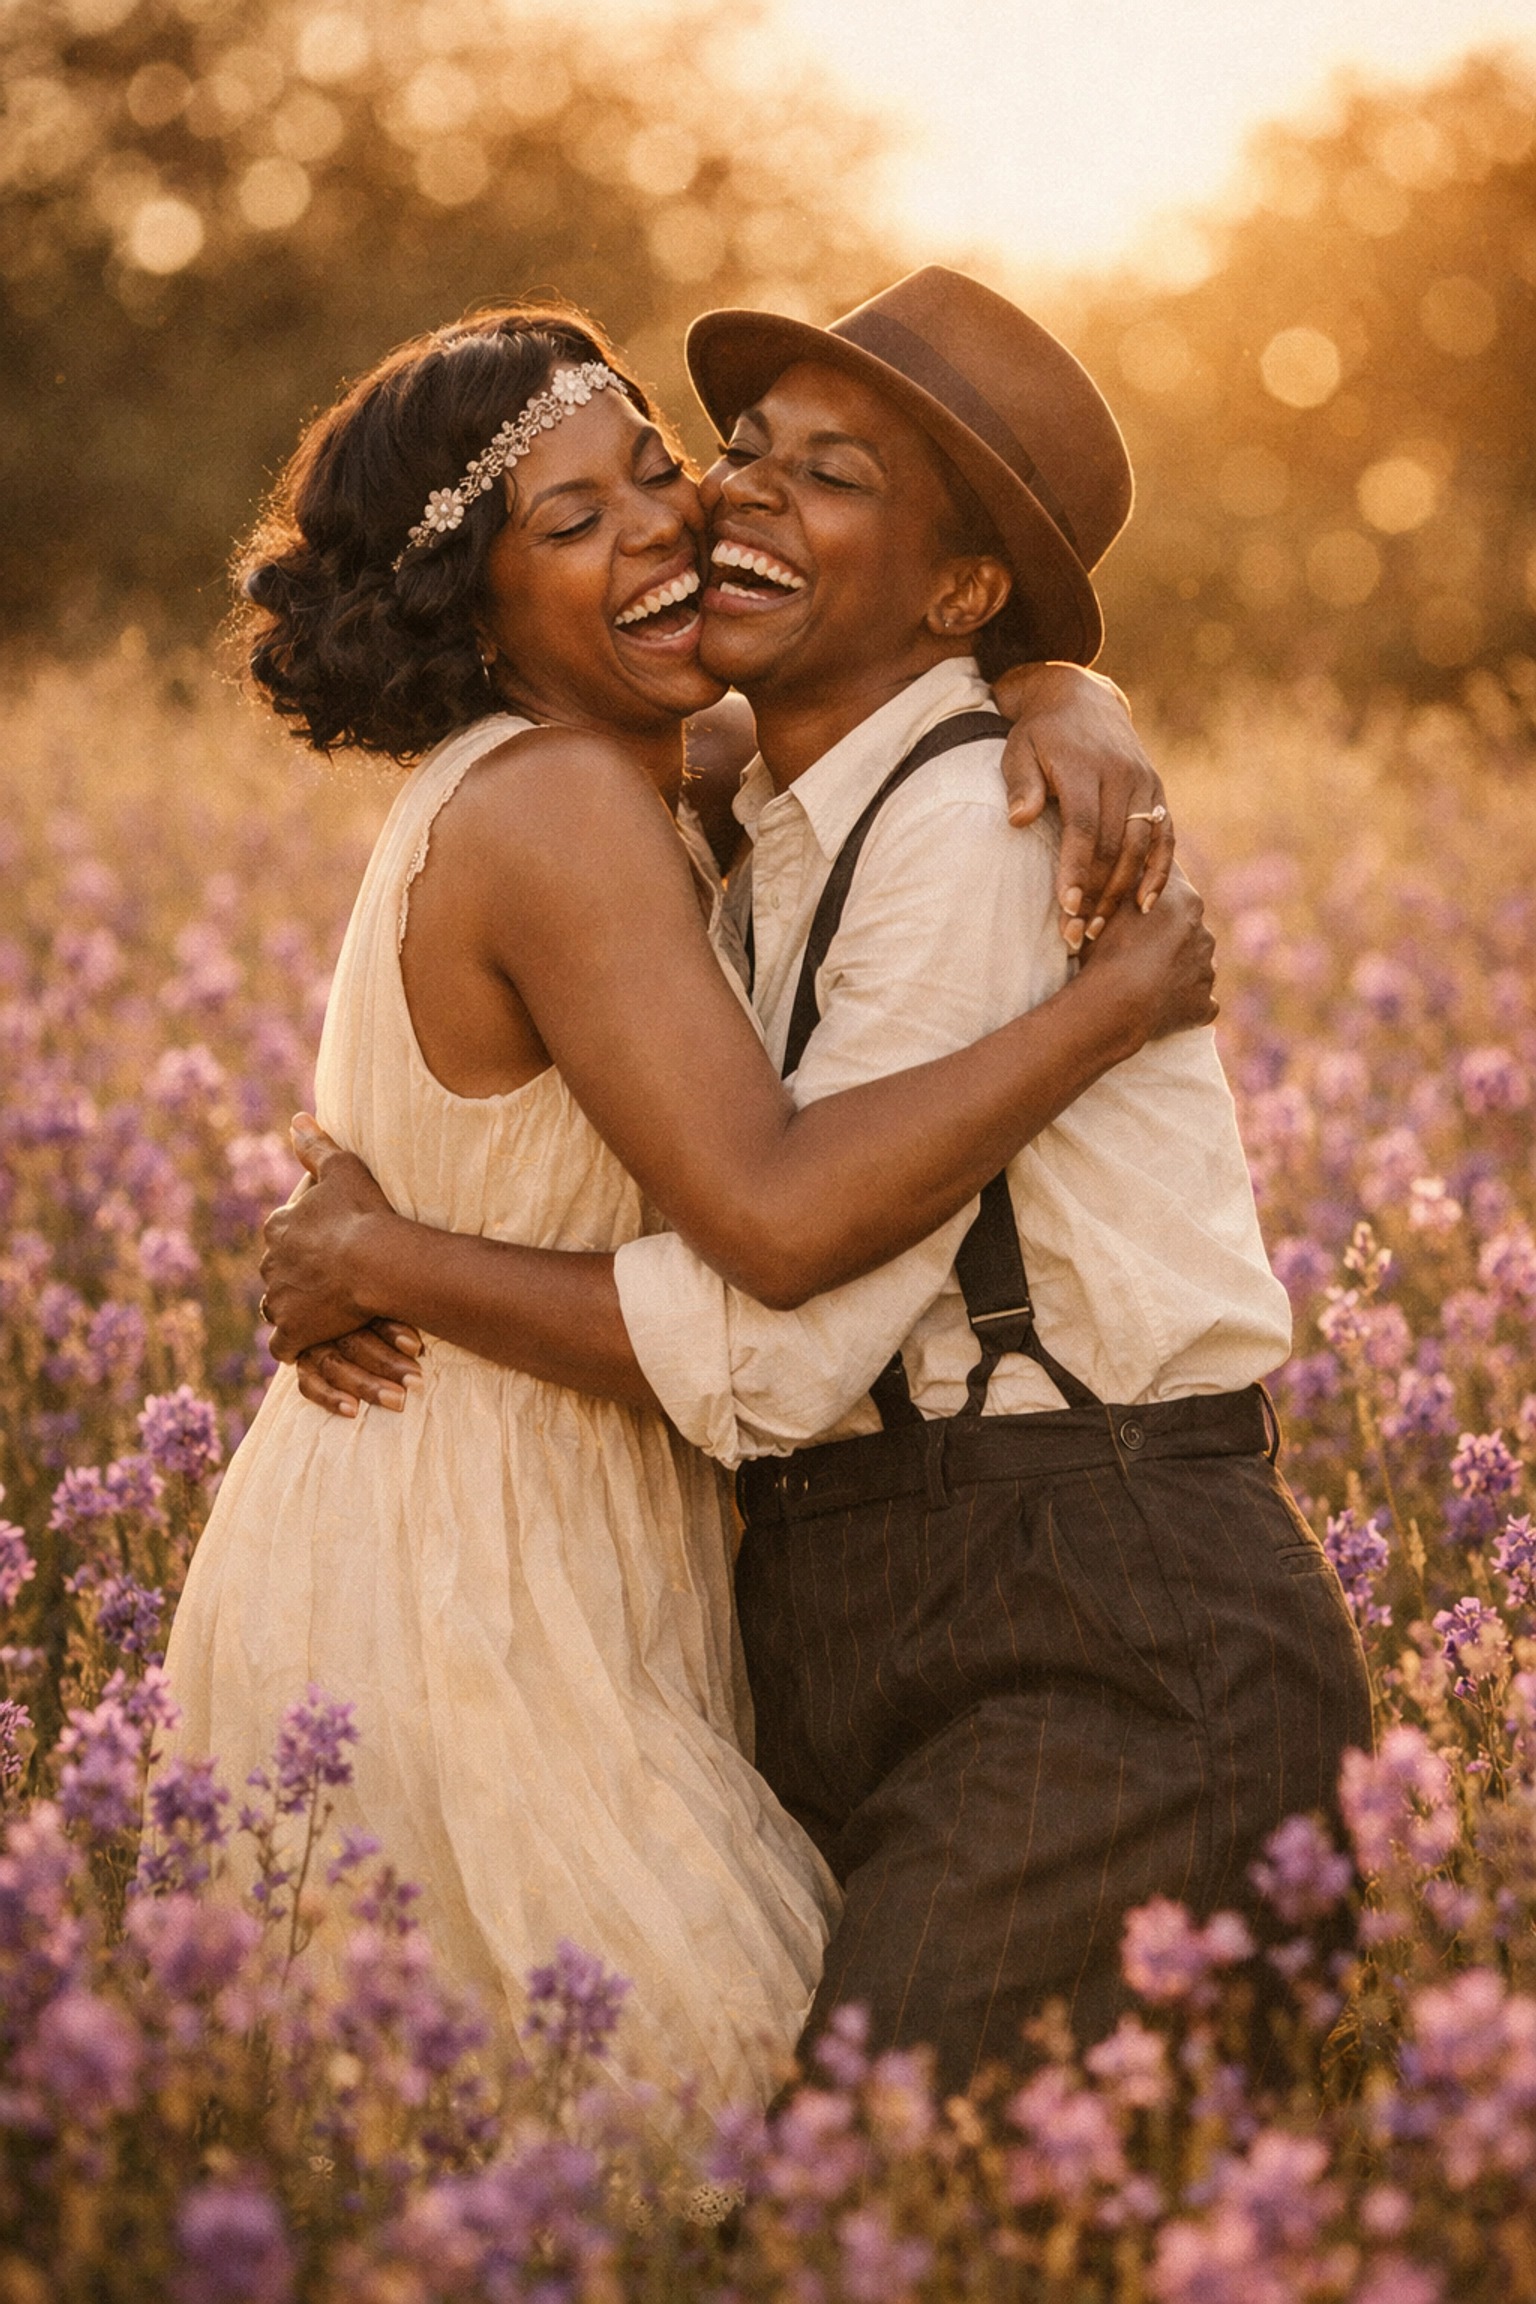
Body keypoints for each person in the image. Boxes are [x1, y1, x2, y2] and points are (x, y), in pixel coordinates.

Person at [263, 270, 1374, 2100]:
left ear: (955, 592)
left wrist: (395, 1253)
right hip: (816, 1598)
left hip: (1087, 1604)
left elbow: (779, 1319)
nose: (728, 500)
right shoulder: (724, 800)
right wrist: (1053, 676)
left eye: (829, 475)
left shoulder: (984, 825)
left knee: (868, 2201)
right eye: (744, 453)